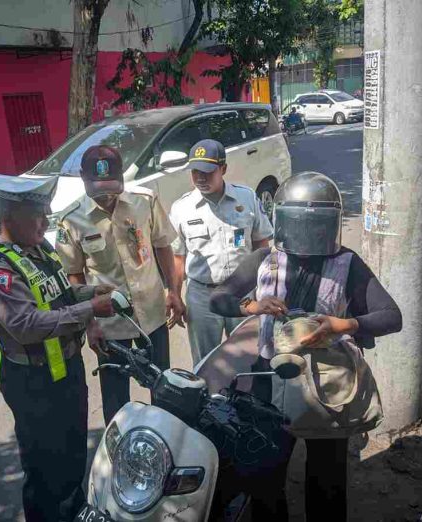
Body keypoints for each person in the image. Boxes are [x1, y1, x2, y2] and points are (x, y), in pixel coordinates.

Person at [209, 171, 402, 520]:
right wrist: (251, 306)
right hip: (271, 380)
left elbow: (392, 316)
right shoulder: (264, 260)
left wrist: (345, 324)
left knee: (326, 481)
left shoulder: (347, 263)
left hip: (327, 386)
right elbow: (218, 298)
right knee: (265, 476)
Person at [0, 171, 115, 522]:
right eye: (38, 215)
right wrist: (89, 309)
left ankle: (74, 512)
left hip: (66, 373)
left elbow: (57, 295)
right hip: (33, 385)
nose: (46, 221)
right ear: (10, 218)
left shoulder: (40, 250)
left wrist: (87, 293)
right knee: (44, 471)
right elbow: (25, 324)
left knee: (72, 459)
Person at [56, 145, 185, 424]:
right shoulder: (72, 220)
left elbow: (163, 246)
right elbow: (74, 275)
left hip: (152, 312)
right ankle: (120, 448)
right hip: (109, 323)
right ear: (82, 178)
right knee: (115, 396)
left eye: (112, 187)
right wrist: (89, 324)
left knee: (162, 384)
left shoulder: (145, 201)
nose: (106, 195)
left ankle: (165, 437)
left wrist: (173, 291)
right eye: (98, 188)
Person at [168, 139, 273, 365]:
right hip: (202, 296)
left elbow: (262, 247)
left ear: (223, 169)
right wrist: (174, 294)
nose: (200, 178)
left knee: (248, 358)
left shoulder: (246, 199)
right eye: (195, 172)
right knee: (206, 363)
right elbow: (178, 258)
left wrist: (265, 289)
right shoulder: (181, 208)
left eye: (208, 172)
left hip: (243, 293)